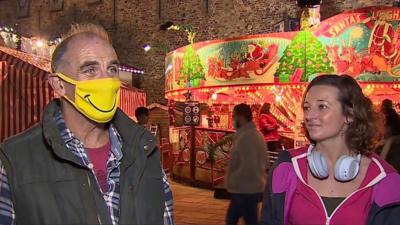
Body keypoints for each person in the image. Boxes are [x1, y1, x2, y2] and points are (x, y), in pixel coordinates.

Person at [0, 24, 174, 225]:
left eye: (112, 69)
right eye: (90, 70)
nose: (107, 80)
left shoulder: (145, 152)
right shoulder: (14, 160)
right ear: (59, 85)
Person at [262, 75, 400, 225]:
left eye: (322, 106)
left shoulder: (385, 180)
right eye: (307, 107)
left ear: (349, 115)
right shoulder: (286, 168)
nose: (309, 115)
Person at [226, 103, 268, 225]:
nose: (233, 119)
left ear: (242, 117)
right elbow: (264, 162)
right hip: (248, 188)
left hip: (245, 189)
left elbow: (249, 166)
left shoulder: (247, 137)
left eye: (234, 116)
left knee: (237, 220)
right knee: (236, 219)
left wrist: (232, 180)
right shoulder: (254, 134)